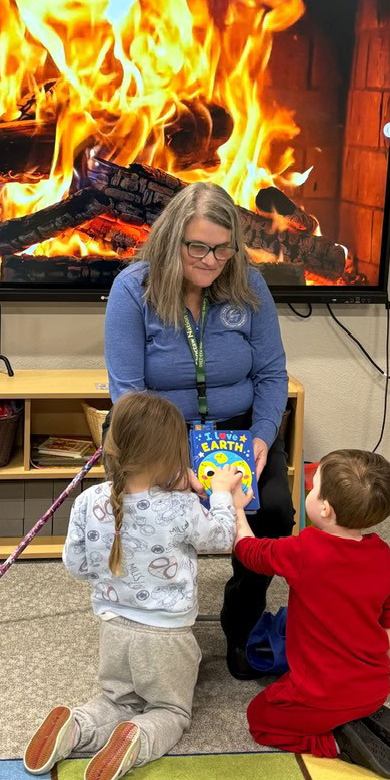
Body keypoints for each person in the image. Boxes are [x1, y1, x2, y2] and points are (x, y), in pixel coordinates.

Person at [104, 181, 294, 679]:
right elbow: (127, 391)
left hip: (239, 432)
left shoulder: (249, 283)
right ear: (172, 241)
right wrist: (170, 460)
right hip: (161, 435)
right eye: (198, 247)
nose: (212, 261)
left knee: (273, 512)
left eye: (222, 249)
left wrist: (263, 436)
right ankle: (153, 632)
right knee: (151, 515)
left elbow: (273, 374)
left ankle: (242, 624)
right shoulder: (132, 289)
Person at [23, 392, 252, 780]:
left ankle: (76, 727)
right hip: (166, 634)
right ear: (172, 456)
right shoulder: (179, 507)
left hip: (113, 626)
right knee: (170, 710)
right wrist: (220, 494)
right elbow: (221, 538)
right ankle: (139, 736)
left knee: (118, 700)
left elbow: (76, 565)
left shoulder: (89, 500)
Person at [234, 449, 390, 780]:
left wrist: (236, 509)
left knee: (260, 718)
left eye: (312, 488)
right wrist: (387, 672)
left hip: (320, 693)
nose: (309, 491)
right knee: (345, 695)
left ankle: (336, 740)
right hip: (377, 686)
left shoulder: (304, 550)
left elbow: (249, 551)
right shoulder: (385, 558)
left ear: (324, 509)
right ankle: (362, 713)